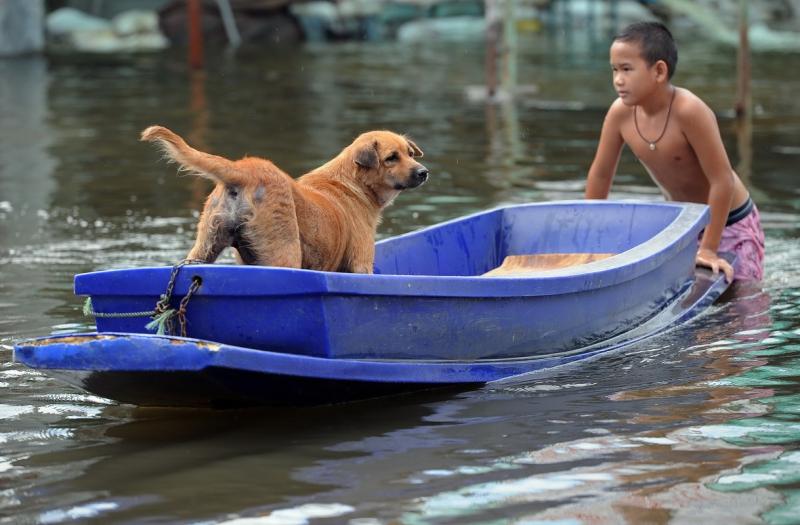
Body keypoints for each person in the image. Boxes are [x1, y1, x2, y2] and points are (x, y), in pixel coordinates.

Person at [584, 21, 765, 282]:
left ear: (658, 71)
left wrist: (710, 249)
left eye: (626, 69)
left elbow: (722, 180)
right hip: (686, 223)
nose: (618, 80)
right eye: (614, 70)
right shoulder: (619, 114)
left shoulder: (689, 111)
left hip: (730, 220)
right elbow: (600, 176)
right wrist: (588, 238)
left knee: (740, 298)